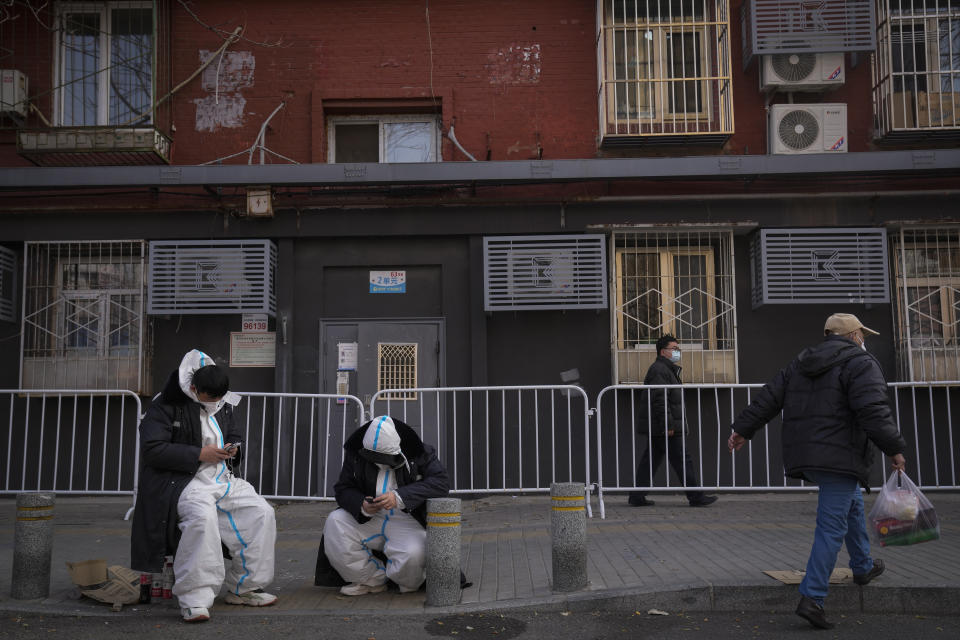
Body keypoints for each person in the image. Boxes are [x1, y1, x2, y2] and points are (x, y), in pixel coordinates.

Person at [727, 313, 907, 630]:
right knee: (830, 528)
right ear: (853, 336)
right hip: (839, 456)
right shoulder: (861, 363)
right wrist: (894, 448)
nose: (864, 339)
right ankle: (813, 597)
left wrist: (743, 429)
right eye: (862, 334)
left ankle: (862, 566)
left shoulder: (801, 361)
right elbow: (873, 410)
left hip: (811, 453)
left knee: (851, 505)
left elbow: (769, 396)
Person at [131, 350, 277, 623]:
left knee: (261, 512)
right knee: (202, 520)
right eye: (211, 399)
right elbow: (152, 450)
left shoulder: (222, 402)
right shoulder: (164, 405)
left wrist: (234, 449)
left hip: (220, 477)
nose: (217, 404)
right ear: (194, 388)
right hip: (183, 481)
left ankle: (245, 587)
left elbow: (234, 434)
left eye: (220, 399)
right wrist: (199, 454)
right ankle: (195, 599)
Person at [321, 415, 449, 595]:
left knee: (413, 554)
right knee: (336, 521)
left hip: (407, 517)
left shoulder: (420, 452)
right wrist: (361, 505)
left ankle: (405, 583)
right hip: (372, 516)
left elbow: (441, 483)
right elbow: (343, 488)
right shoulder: (356, 453)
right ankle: (371, 579)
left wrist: (400, 496)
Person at [628, 335, 718, 508]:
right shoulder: (659, 370)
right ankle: (695, 496)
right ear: (663, 351)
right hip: (664, 427)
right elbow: (659, 399)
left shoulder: (665, 369)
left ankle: (637, 496)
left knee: (651, 461)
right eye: (674, 349)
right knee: (683, 460)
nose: (677, 352)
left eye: (678, 348)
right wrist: (668, 425)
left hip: (660, 426)